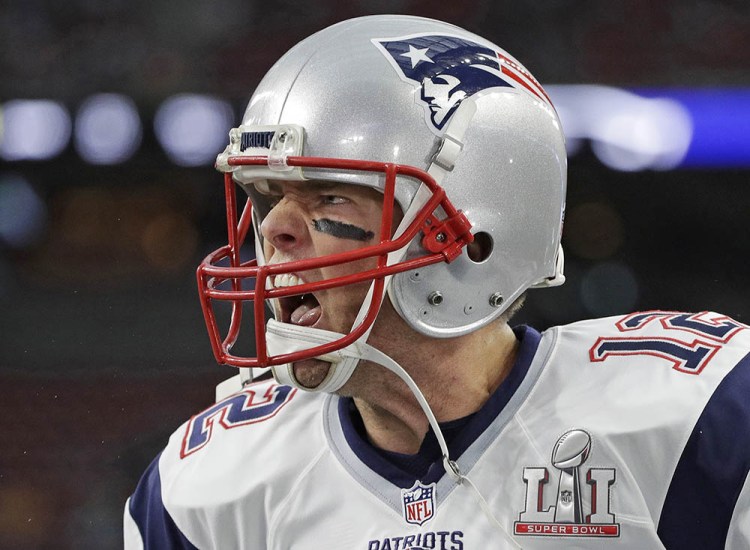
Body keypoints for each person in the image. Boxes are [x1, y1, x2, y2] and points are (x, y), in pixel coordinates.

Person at [124, 14, 750, 549]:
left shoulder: (696, 420)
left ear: (475, 240)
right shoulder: (207, 488)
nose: (276, 232)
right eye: (267, 196)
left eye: (330, 198)